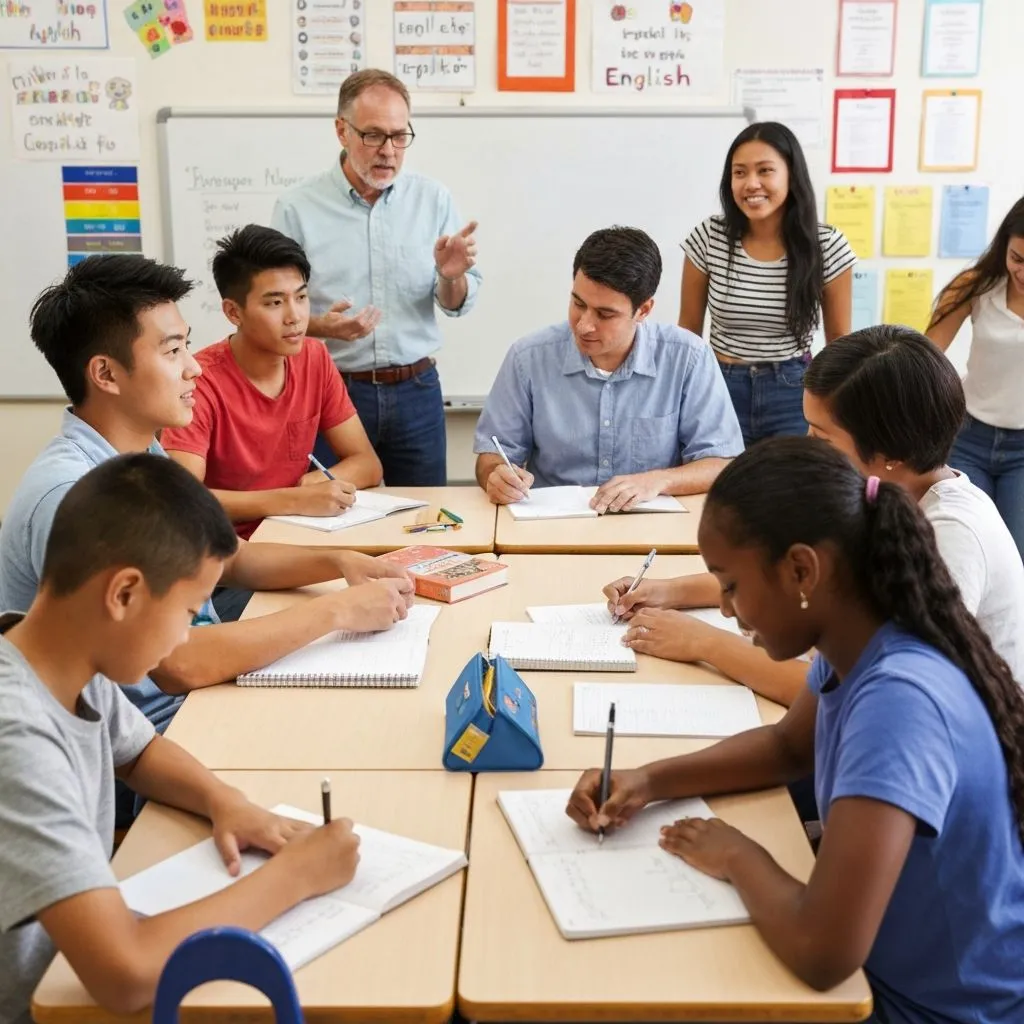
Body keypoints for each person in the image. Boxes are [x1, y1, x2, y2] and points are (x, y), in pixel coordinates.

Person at [571, 437, 1024, 1021]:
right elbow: (787, 747)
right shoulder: (859, 638)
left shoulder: (899, 703)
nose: (727, 610)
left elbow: (823, 952)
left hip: (930, 1007)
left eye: (731, 586)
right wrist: (649, 779)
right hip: (890, 974)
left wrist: (737, 854)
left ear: (803, 569)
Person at [0, 454, 362, 1023]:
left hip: (73, 965)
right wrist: (297, 876)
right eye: (189, 613)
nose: (184, 638)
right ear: (124, 594)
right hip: (46, 1005)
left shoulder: (58, 656)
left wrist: (227, 803)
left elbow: (139, 751)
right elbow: (125, 974)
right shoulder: (18, 737)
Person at [0, 254, 414, 742]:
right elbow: (177, 664)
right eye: (173, 351)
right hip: (152, 740)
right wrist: (337, 611)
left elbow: (229, 559)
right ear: (106, 375)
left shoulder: (140, 453)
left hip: (198, 700)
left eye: (187, 346)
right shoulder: (72, 495)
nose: (195, 369)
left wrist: (340, 561)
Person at [606, 325, 1024, 704]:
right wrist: (669, 591)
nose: (807, 445)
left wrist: (705, 644)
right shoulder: (877, 493)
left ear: (888, 453)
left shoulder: (952, 535)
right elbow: (791, 582)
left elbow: (854, 695)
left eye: (820, 435)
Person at [271, 68, 481, 486]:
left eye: (400, 135)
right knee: (330, 516)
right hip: (330, 390)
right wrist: (320, 326)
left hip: (416, 389)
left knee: (428, 523)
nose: (388, 150)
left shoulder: (432, 198)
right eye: (373, 135)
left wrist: (450, 276)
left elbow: (456, 304)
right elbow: (272, 308)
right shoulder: (297, 207)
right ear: (341, 131)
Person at [473, 226, 743, 513]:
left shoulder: (688, 357)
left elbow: (720, 463)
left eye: (605, 314)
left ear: (644, 310)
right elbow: (491, 457)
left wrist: (659, 480)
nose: (584, 325)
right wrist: (496, 475)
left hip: (649, 526)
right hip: (553, 527)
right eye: (578, 303)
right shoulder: (527, 358)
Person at [162, 225, 382, 541]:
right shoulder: (198, 379)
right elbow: (184, 499)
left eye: (302, 297)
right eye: (275, 303)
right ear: (233, 312)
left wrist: (311, 485)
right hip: (226, 554)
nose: (295, 316)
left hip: (299, 535)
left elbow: (368, 464)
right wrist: (293, 499)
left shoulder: (314, 357)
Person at [680, 122, 854, 445]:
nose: (751, 184)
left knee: (786, 491)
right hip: (719, 385)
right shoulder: (708, 237)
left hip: (793, 390)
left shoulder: (827, 244)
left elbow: (839, 341)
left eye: (765, 171)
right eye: (740, 173)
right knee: (724, 490)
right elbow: (688, 330)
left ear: (791, 174)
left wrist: (836, 411)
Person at [927, 195, 1024, 559]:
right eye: (1017, 259)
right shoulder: (974, 287)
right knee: (961, 544)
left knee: (1014, 555)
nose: (1023, 273)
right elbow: (926, 356)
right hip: (967, 436)